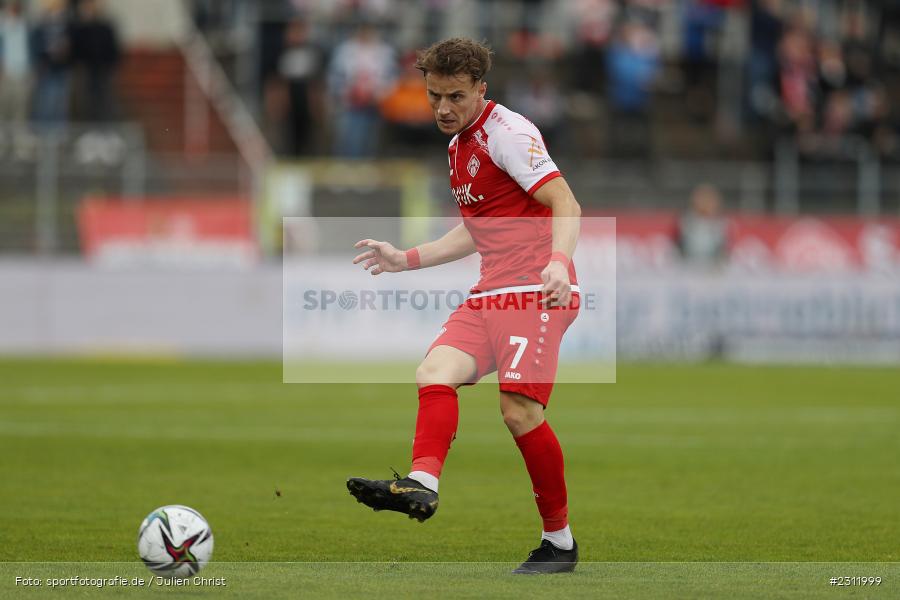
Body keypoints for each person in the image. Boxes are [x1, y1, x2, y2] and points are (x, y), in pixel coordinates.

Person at [346, 38, 582, 575]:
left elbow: (565, 201)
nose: (443, 108)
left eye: (455, 96)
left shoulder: (509, 134)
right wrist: (406, 258)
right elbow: (478, 231)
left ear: (481, 89)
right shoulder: (458, 146)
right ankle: (422, 484)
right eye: (434, 97)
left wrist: (560, 265)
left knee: (519, 412)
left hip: (534, 290)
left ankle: (560, 543)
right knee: (434, 370)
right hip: (492, 290)